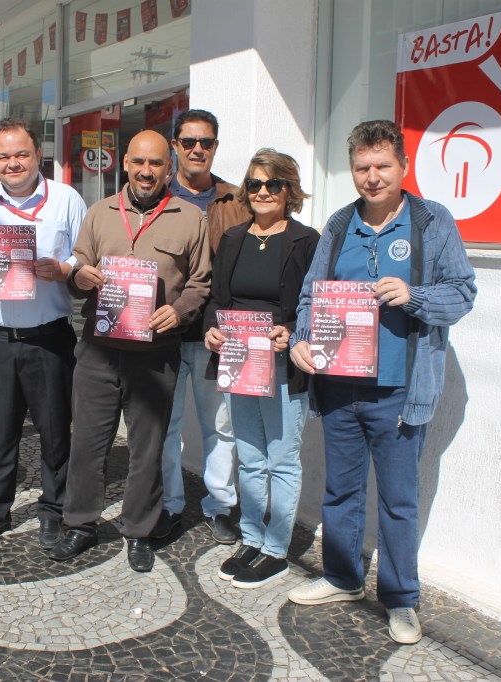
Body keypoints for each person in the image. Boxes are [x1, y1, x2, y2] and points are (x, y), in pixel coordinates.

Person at [286, 120, 476, 644]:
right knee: (341, 490)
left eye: (382, 166)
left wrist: (414, 296)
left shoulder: (431, 221)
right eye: (362, 167)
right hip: (340, 385)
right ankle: (342, 577)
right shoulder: (340, 223)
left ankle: (400, 598)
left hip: (398, 390)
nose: (372, 177)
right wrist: (302, 339)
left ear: (404, 166)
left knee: (397, 500)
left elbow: (463, 293)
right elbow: (312, 293)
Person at [48, 130, 211, 572]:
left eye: (156, 163)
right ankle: (80, 524)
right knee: (87, 442)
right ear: (125, 163)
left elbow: (200, 282)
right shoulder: (99, 212)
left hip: (155, 352)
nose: (146, 171)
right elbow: (78, 264)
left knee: (148, 448)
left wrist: (179, 311)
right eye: (138, 162)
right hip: (98, 349)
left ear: (169, 168)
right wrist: (79, 276)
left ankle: (139, 530)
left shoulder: (190, 217)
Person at [0, 117, 86, 549]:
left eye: (21, 154)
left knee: (55, 432)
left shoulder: (66, 200)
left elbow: (87, 260)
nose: (13, 163)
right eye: (3, 156)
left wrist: (65, 269)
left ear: (38, 155)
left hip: (48, 338)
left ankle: (54, 510)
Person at [203, 149, 319, 588]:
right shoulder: (233, 238)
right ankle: (251, 538)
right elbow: (218, 299)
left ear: (290, 190)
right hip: (240, 362)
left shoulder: (306, 241)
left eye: (273, 184)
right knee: (250, 457)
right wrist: (212, 330)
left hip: (283, 365)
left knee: (282, 460)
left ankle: (276, 550)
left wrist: (293, 331)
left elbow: (315, 301)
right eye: (254, 184)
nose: (263, 192)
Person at [154, 109, 249, 545]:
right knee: (165, 427)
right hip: (165, 332)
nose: (197, 149)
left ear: (215, 147)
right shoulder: (156, 196)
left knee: (221, 427)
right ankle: (169, 504)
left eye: (205, 142)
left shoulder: (236, 200)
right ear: (175, 145)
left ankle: (220, 505)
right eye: (189, 141)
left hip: (218, 336)